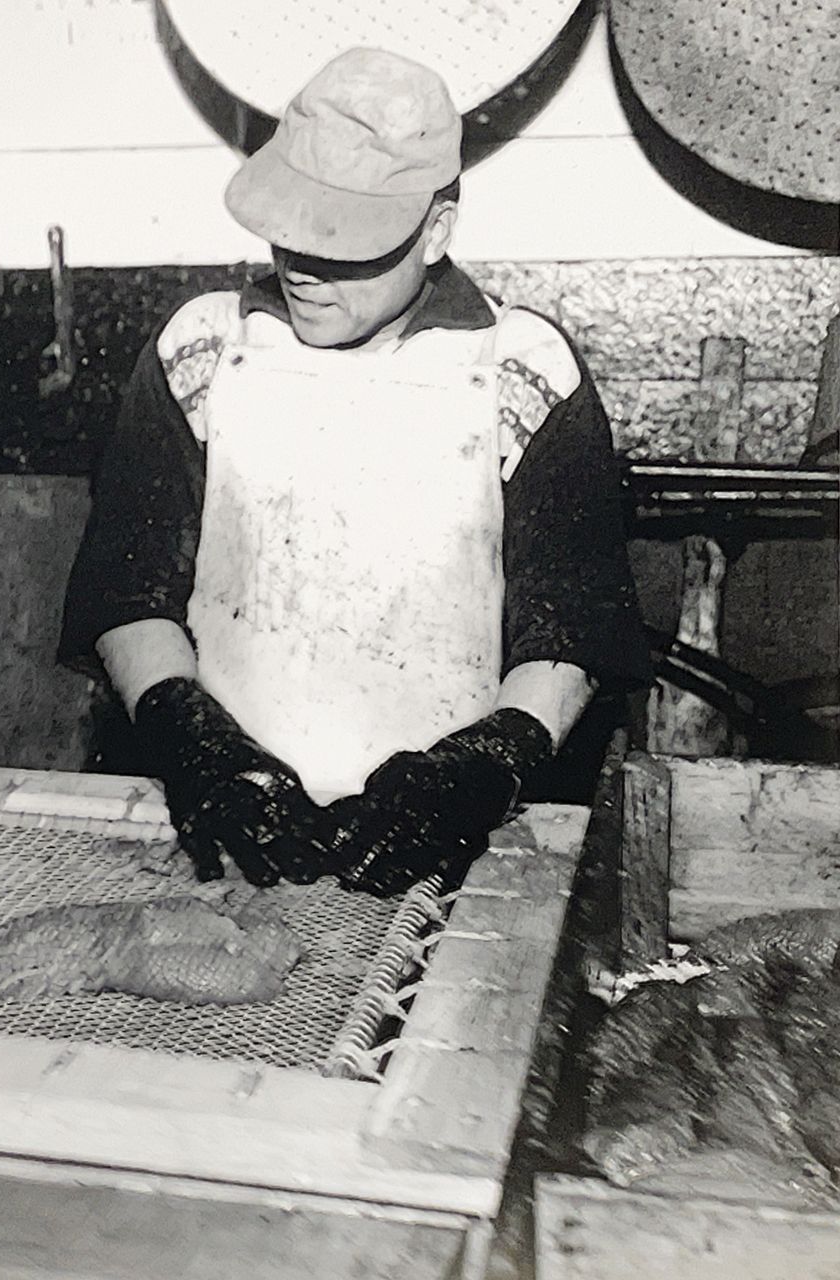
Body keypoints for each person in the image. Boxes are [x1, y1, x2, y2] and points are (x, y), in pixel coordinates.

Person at [60, 48, 646, 898]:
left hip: (450, 845)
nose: (301, 266)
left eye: (346, 242)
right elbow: (127, 589)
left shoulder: (522, 371)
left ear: (436, 230)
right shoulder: (201, 351)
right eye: (290, 229)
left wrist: (483, 765)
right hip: (218, 822)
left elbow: (573, 628)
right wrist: (192, 738)